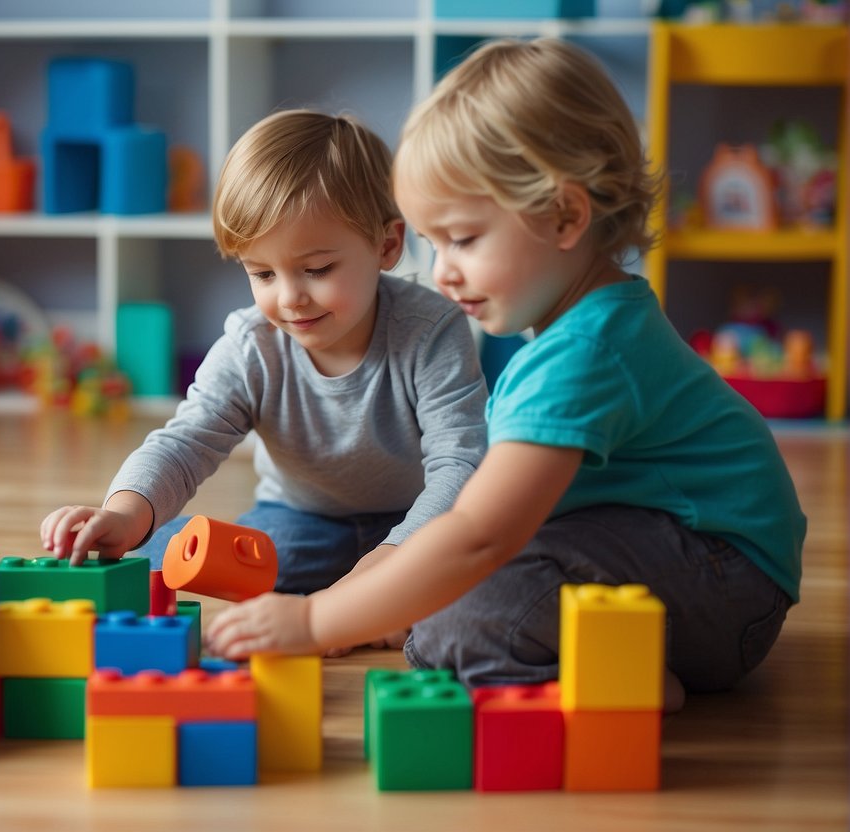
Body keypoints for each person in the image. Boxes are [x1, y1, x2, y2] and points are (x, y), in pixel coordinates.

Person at [205, 39, 805, 711]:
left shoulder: (586, 352)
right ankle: (609, 666)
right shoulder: (581, 326)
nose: (440, 272)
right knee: (437, 597)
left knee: (459, 618)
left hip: (722, 586)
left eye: (462, 238)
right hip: (689, 561)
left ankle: (620, 685)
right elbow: (481, 514)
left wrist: (318, 621)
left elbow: (480, 534)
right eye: (433, 244)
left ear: (564, 215)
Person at [40, 109, 489, 620]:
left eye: (317, 269)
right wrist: (121, 514)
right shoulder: (251, 344)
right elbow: (186, 442)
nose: (291, 297)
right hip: (302, 521)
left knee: (494, 564)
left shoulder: (432, 330)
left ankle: (380, 595)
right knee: (147, 549)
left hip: (419, 519)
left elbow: (460, 468)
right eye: (263, 273)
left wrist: (385, 571)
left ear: (386, 245)